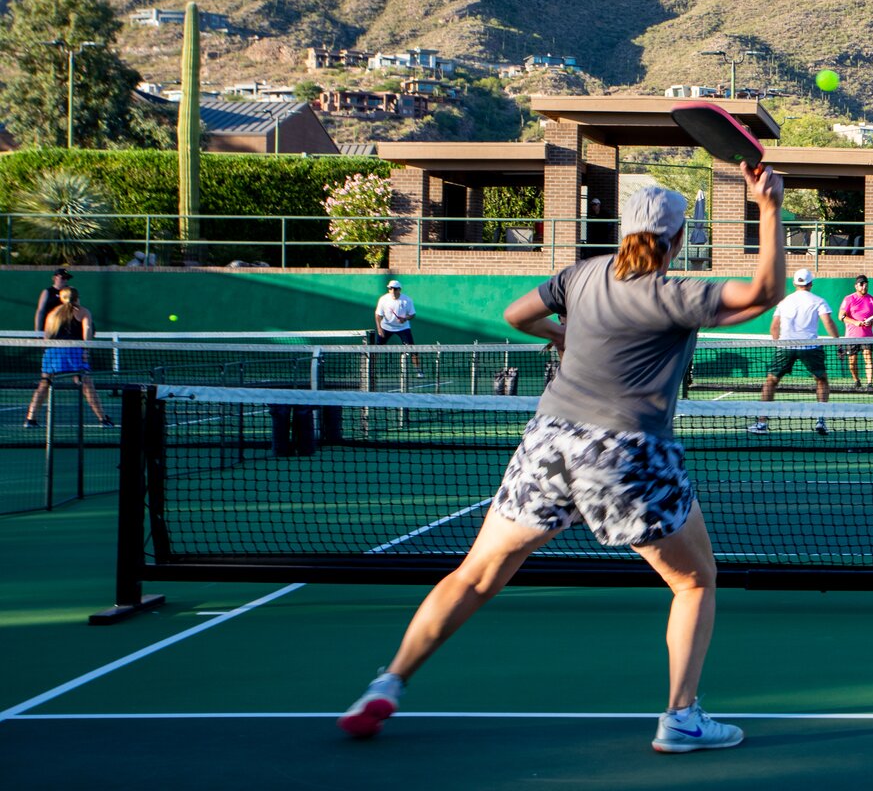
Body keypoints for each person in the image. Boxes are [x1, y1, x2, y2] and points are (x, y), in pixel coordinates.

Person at [339, 166, 789, 752]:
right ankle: (681, 718)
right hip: (626, 449)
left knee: (474, 575)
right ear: (679, 240)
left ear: (623, 230)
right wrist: (770, 207)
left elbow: (515, 315)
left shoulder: (580, 275)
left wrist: (563, 338)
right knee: (695, 582)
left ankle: (388, 683)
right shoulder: (672, 293)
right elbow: (763, 294)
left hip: (547, 442)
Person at [750, 269, 838, 435]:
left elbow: (774, 327)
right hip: (810, 348)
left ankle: (761, 423)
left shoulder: (784, 302)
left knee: (771, 381)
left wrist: (779, 345)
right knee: (822, 380)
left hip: (785, 347)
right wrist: (840, 342)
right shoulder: (818, 301)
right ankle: (821, 420)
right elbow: (828, 322)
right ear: (811, 284)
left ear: (795, 283)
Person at [24, 286, 113, 428]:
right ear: (77, 297)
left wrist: (47, 353)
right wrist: (86, 351)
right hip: (74, 352)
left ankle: (30, 419)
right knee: (87, 385)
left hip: (52, 352)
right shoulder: (83, 312)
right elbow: (87, 333)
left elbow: (46, 336)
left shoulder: (52, 313)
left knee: (44, 384)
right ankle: (103, 419)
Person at [837, 274, 873, 388]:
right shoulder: (849, 299)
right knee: (852, 362)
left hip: (867, 336)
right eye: (861, 284)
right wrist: (855, 322)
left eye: (866, 284)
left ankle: (870, 383)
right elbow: (841, 316)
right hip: (852, 337)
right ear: (856, 286)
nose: (864, 286)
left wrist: (871, 322)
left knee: (868, 358)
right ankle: (857, 380)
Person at [373, 280, 421, 378]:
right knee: (376, 349)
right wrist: (379, 329)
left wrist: (405, 318)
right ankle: (370, 370)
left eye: (395, 289)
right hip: (386, 327)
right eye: (390, 288)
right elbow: (378, 315)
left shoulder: (407, 300)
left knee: (412, 349)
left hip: (403, 328)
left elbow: (412, 314)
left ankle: (418, 371)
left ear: (399, 290)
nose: (392, 291)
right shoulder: (383, 299)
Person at [32, 268, 71, 332]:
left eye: (67, 278)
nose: (65, 280)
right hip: (49, 328)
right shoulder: (47, 292)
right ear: (55, 278)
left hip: (65, 329)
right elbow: (40, 311)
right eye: (63, 278)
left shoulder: (70, 292)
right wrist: (38, 330)